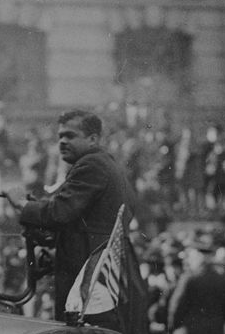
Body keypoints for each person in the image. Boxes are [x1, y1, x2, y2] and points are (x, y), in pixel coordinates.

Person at [12, 109, 138, 320]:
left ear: (93, 139)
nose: (61, 141)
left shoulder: (92, 164)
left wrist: (21, 204)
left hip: (90, 275)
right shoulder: (107, 163)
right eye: (60, 136)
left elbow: (59, 212)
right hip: (104, 272)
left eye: (70, 135)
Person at [167, 236, 225, 334]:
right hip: (216, 332)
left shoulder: (190, 280)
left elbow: (179, 308)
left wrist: (173, 327)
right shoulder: (223, 280)